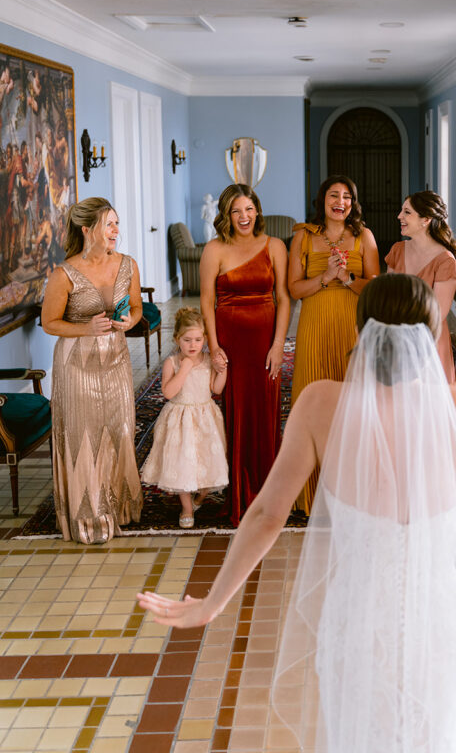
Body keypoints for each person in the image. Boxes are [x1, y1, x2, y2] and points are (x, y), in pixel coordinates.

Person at [137, 274, 456, 753]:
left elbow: (268, 513)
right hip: (441, 627)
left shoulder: (319, 404)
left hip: (358, 626)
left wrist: (212, 603)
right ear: (430, 335)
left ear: (362, 330)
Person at [41, 197, 143, 543]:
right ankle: (89, 516)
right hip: (77, 365)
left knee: (120, 428)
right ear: (88, 230)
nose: (116, 230)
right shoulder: (64, 273)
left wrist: (130, 320)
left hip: (116, 359)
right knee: (85, 434)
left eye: (117, 223)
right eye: (109, 224)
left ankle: (121, 508)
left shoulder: (128, 265)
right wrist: (87, 329)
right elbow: (49, 323)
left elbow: (137, 307)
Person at [288, 174, 380, 513]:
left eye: (346, 196)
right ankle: (312, 494)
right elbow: (294, 290)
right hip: (314, 325)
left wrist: (346, 278)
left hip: (352, 327)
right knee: (311, 404)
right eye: (333, 195)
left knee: (353, 407)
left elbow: (374, 287)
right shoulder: (302, 236)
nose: (339, 201)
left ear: (353, 204)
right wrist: (325, 277)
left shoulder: (364, 237)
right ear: (322, 200)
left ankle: (354, 492)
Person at [200, 184, 289, 526]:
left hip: (266, 338)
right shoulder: (214, 249)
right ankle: (240, 494)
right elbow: (207, 301)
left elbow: (283, 297)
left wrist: (279, 344)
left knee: (265, 411)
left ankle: (268, 493)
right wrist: (213, 344)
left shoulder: (275, 246)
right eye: (236, 211)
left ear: (258, 211)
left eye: (249, 209)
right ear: (226, 215)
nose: (244, 217)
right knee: (236, 412)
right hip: (231, 339)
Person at [140, 307, 228, 528]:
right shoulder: (173, 363)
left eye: (198, 340)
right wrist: (184, 369)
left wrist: (223, 370)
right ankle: (187, 507)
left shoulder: (208, 360)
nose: (193, 345)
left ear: (205, 340)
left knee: (210, 462)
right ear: (177, 339)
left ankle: (200, 498)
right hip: (180, 420)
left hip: (205, 417)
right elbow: (168, 393)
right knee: (182, 464)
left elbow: (216, 389)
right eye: (187, 340)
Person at [386, 189, 456, 380]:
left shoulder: (445, 260)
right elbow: (387, 297)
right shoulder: (397, 250)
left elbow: (437, 313)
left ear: (425, 219)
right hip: (396, 336)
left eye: (407, 212)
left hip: (429, 341)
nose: (399, 216)